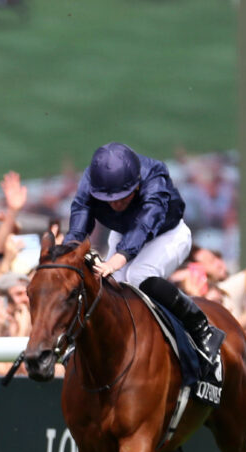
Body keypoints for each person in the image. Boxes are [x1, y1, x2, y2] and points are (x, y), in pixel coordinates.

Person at [65, 142, 224, 364]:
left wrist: (115, 261)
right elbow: (81, 211)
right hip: (124, 232)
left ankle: (201, 328)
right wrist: (70, 249)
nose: (116, 204)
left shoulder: (154, 175)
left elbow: (144, 225)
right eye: (109, 199)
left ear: (137, 184)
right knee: (110, 287)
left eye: (123, 196)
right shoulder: (92, 179)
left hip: (168, 234)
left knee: (139, 276)